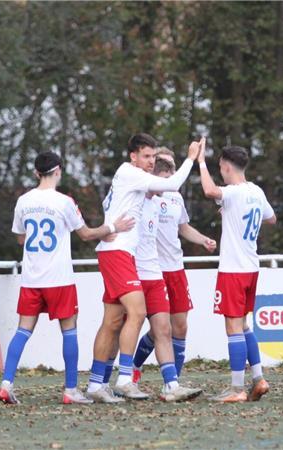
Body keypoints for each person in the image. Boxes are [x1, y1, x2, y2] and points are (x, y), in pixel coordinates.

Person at [0, 151, 134, 405]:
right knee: (69, 332)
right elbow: (86, 234)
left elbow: (20, 237)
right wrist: (113, 227)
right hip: (59, 279)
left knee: (22, 331)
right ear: (58, 170)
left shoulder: (23, 201)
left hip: (31, 279)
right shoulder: (64, 202)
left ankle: (6, 383)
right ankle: (70, 390)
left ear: (37, 173)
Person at [85, 133, 201, 403]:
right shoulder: (130, 173)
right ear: (133, 157)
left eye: (152, 157)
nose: (150, 162)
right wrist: (192, 158)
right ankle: (125, 378)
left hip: (131, 259)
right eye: (146, 157)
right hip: (119, 255)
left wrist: (109, 226)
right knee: (136, 313)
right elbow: (171, 182)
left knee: (114, 321)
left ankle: (95, 385)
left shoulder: (143, 191)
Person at [197, 142, 276, 403]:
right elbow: (271, 218)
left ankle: (236, 388)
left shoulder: (232, 192)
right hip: (251, 267)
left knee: (233, 327)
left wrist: (200, 161)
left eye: (220, 167)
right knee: (243, 325)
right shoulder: (256, 191)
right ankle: (259, 378)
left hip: (233, 269)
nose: (220, 172)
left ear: (227, 167)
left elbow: (209, 190)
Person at [131, 148, 216, 384]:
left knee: (180, 326)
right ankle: (135, 368)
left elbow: (183, 227)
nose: (166, 167)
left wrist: (203, 239)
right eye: (161, 163)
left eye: (170, 164)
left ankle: (175, 380)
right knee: (159, 329)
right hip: (152, 271)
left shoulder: (175, 196)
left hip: (176, 269)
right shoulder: (144, 194)